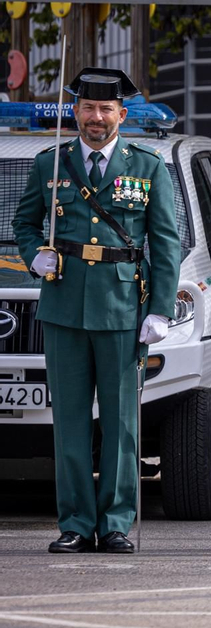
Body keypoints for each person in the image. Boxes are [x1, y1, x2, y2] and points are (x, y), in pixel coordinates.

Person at [14, 66, 181, 553]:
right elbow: (25, 223)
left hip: (122, 307)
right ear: (76, 112)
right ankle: (74, 522)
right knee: (68, 421)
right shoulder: (51, 163)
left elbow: (166, 245)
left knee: (121, 424)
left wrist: (160, 310)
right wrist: (33, 256)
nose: (96, 117)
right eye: (87, 108)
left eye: (106, 109)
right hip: (64, 305)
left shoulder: (148, 166)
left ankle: (114, 523)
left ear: (121, 115)